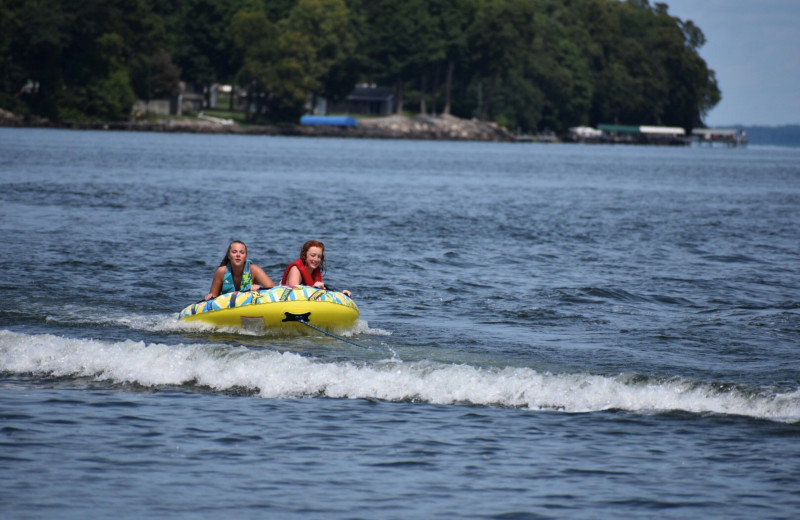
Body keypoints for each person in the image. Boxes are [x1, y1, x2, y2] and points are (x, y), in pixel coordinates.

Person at [204, 240, 275, 300]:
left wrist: (260, 290)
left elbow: (274, 289)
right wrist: (210, 297)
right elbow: (213, 296)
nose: (238, 255)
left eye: (242, 252)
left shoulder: (254, 270)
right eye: (234, 252)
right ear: (229, 256)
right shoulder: (221, 272)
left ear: (245, 257)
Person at [281, 240, 351, 296]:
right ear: (304, 255)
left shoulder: (315, 272)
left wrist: (341, 294)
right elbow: (293, 294)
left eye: (319, 256)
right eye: (313, 255)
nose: (316, 259)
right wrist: (313, 288)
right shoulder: (296, 270)